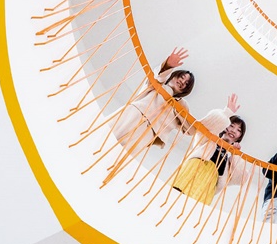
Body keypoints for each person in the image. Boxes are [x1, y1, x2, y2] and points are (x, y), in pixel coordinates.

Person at [104, 48, 197, 184]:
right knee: (105, 136)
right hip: (134, 113)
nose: (183, 82)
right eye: (181, 77)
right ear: (174, 76)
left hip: (149, 132)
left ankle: (105, 175)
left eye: (186, 83)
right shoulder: (158, 83)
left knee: (119, 157)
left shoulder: (181, 105)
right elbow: (158, 76)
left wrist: (179, 109)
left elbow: (191, 130)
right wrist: (168, 65)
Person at [171, 94, 245, 205]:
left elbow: (240, 178)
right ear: (225, 125)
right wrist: (227, 113)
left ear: (240, 137)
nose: (233, 130)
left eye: (239, 130)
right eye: (232, 125)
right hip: (194, 169)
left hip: (209, 184)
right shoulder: (209, 137)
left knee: (191, 209)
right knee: (175, 198)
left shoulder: (229, 160)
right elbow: (207, 123)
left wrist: (236, 155)